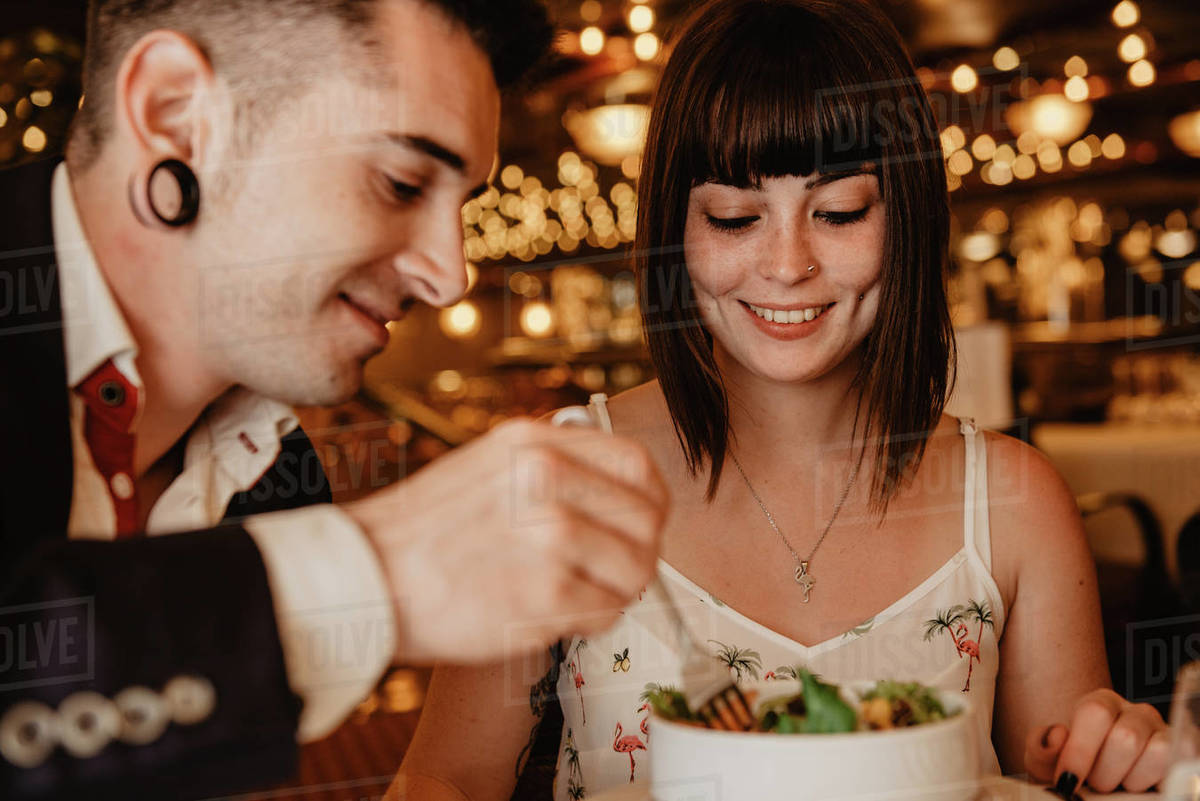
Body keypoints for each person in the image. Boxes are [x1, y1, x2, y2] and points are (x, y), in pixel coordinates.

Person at [395, 0, 1169, 797]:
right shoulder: (564, 484)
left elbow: (1070, 776)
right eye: (734, 218)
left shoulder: (1012, 502)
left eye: (838, 212)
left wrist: (1121, 762)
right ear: (675, 230)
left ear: (903, 217)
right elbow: (440, 782)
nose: (789, 264)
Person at [0, 1, 668, 798]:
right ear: (175, 114)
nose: (449, 272)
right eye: (401, 181)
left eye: (461, 203)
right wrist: (380, 570)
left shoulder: (276, 471)